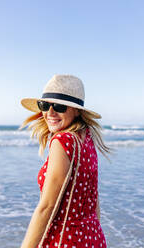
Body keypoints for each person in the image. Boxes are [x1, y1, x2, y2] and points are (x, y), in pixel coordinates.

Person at [20, 74, 110, 248]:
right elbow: (94, 199)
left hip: (64, 240)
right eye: (44, 105)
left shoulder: (63, 141)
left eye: (60, 106)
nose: (50, 113)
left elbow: (47, 207)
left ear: (76, 111)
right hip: (93, 237)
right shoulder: (87, 138)